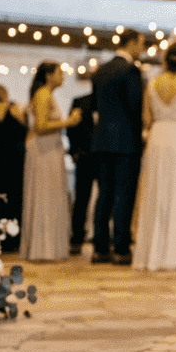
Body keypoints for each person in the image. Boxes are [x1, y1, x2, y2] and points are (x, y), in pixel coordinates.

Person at [132, 41, 176, 271]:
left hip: (158, 137)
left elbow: (146, 119)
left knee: (156, 193)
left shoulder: (152, 84)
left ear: (164, 61)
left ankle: (153, 253)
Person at [91, 29, 146, 265]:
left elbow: (95, 107)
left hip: (101, 141)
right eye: (141, 44)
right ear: (131, 42)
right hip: (126, 143)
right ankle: (121, 248)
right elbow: (135, 107)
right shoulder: (131, 70)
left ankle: (100, 248)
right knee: (124, 195)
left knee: (104, 194)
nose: (141, 49)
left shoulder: (100, 70)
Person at [21, 62, 81, 261]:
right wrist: (69, 121)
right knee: (45, 196)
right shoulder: (43, 94)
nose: (63, 77)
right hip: (43, 150)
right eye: (60, 73)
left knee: (50, 195)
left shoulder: (47, 94)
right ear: (48, 75)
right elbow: (40, 126)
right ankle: (43, 248)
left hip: (50, 149)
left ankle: (48, 247)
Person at [0, 84, 28, 252]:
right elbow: (24, 130)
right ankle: (12, 239)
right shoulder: (14, 109)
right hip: (12, 164)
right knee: (13, 201)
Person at [66, 75, 98, 256]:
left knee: (106, 199)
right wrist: (75, 153)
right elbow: (71, 129)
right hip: (84, 157)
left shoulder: (110, 102)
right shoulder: (79, 101)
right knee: (81, 200)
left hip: (104, 159)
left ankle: (101, 238)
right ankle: (76, 239)